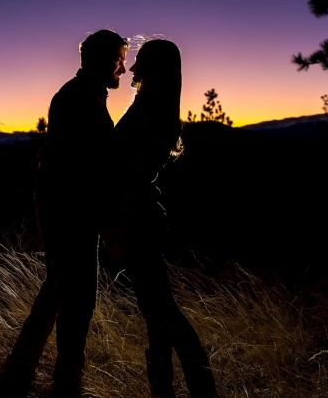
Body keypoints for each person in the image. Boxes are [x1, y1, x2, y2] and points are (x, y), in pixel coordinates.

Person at [0, 29, 128, 398]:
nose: (123, 69)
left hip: (64, 211)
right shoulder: (82, 100)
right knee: (78, 304)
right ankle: (67, 386)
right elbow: (86, 172)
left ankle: (18, 372)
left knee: (57, 294)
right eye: (117, 60)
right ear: (98, 61)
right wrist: (107, 224)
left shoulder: (80, 95)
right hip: (70, 215)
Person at [102, 39, 219, 398]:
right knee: (155, 314)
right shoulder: (149, 106)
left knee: (160, 308)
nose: (133, 70)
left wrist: (119, 224)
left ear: (156, 70)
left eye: (141, 64)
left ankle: (203, 388)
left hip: (138, 220)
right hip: (143, 217)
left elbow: (134, 175)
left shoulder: (150, 110)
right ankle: (162, 389)